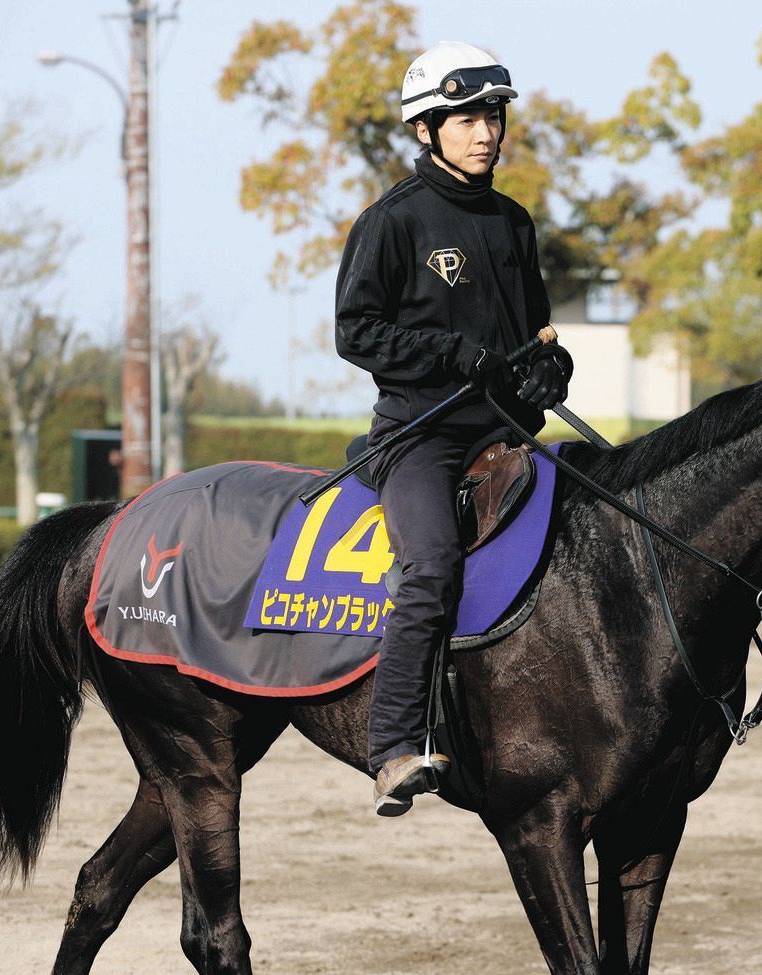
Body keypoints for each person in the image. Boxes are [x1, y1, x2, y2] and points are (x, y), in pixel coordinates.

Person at [335, 40, 572, 816]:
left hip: (508, 437)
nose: (485, 131)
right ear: (426, 129)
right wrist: (448, 354)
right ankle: (395, 745)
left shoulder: (514, 223)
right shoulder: (393, 222)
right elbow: (355, 332)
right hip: (421, 438)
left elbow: (535, 334)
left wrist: (550, 371)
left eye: (493, 115)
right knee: (432, 569)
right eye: (465, 116)